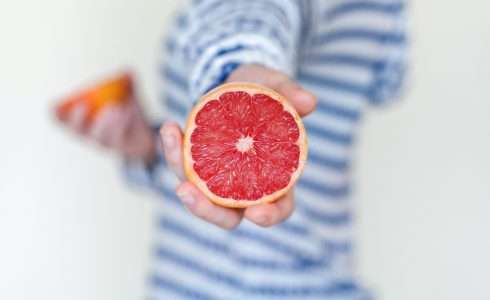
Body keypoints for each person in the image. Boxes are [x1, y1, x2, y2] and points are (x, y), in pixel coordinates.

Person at [56, 1, 407, 299]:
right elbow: (388, 82)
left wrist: (238, 68)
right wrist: (146, 147)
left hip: (273, 286)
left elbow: (257, 11)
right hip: (190, 282)